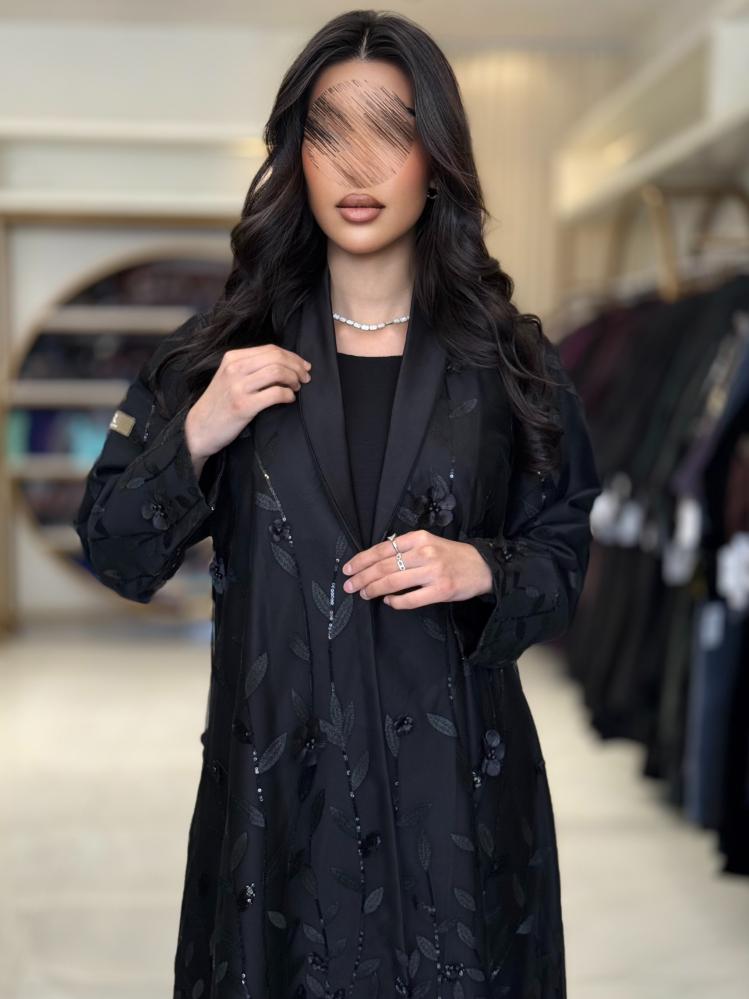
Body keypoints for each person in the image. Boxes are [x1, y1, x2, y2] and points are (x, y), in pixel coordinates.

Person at [74, 10, 601, 998]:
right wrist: (200, 430)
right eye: (328, 131)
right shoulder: (217, 352)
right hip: (277, 810)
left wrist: (481, 566)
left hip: (457, 808)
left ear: (436, 159)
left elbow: (565, 552)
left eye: (391, 130)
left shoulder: (509, 362)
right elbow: (114, 549)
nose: (358, 165)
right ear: (294, 155)